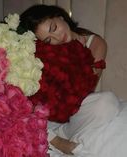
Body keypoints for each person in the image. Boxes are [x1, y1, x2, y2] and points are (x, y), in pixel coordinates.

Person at [19, 4, 120, 155]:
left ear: (60, 16)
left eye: (54, 28)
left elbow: (88, 89)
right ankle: (54, 139)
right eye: (48, 40)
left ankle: (55, 135)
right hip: (47, 111)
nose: (57, 38)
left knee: (107, 103)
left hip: (75, 108)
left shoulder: (95, 43)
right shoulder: (44, 51)